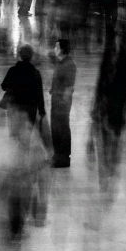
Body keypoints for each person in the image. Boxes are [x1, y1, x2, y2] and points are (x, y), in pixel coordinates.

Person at [89, 28, 126, 192]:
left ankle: (111, 167)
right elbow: (99, 83)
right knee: (102, 141)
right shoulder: (106, 59)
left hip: (118, 108)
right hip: (104, 107)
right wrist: (95, 105)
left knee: (114, 141)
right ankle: (104, 173)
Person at [1, 44, 46, 146]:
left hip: (14, 107)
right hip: (30, 108)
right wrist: (42, 110)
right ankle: (24, 158)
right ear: (31, 56)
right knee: (26, 139)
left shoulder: (13, 70)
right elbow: (39, 94)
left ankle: (14, 158)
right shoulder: (35, 73)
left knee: (13, 136)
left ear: (20, 55)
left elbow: (4, 86)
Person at [50, 39, 76, 168]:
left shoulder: (69, 64)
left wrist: (63, 101)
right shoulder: (61, 62)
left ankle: (64, 158)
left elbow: (69, 86)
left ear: (62, 49)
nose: (54, 49)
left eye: (56, 47)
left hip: (61, 103)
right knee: (55, 129)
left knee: (62, 128)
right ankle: (57, 155)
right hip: (56, 100)